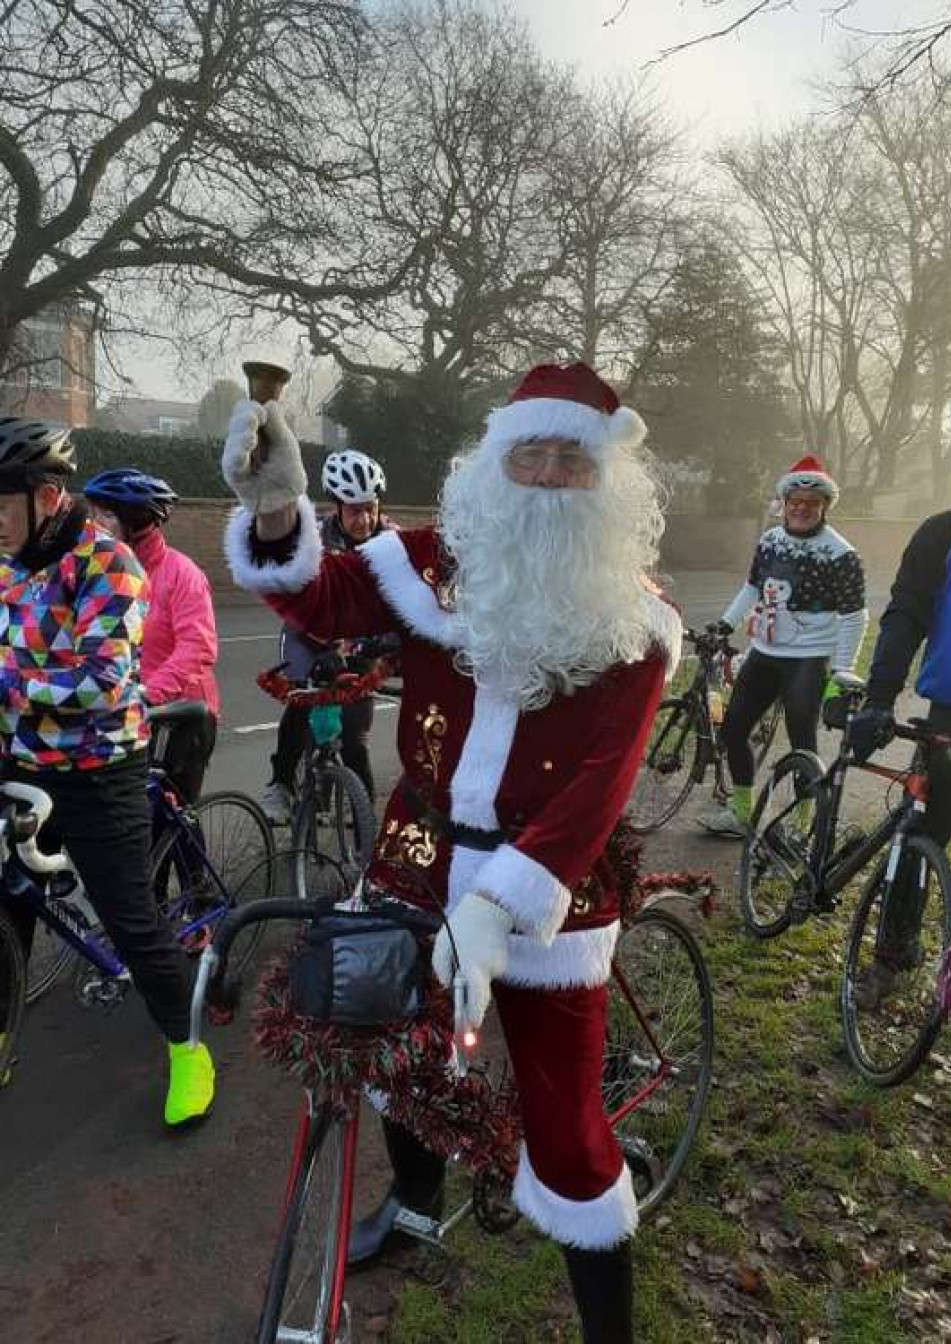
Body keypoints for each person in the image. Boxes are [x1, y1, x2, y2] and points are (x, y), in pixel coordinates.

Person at [221, 362, 682, 1343]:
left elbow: (598, 786)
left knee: (565, 1136)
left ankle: (610, 1329)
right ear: (495, 464)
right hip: (417, 853)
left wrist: (498, 904)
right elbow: (321, 598)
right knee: (392, 1055)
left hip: (551, 892)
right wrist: (274, 513)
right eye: (532, 452)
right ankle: (418, 1205)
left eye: (572, 459)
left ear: (606, 483)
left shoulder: (633, 623)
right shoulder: (435, 557)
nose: (550, 475)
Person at [0, 419, 214, 1124]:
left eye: (1, 504)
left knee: (131, 920)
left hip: (99, 765)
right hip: (21, 753)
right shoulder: (7, 563)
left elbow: (99, 680)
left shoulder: (108, 563)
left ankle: (188, 1050)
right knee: (10, 897)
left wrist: (9, 683)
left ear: (48, 496)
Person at [847, 409, 951, 1056]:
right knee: (917, 842)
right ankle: (890, 957)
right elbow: (905, 616)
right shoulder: (947, 533)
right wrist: (880, 697)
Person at [698, 454, 868, 837]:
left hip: (809, 658)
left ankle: (801, 824)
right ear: (785, 504)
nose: (802, 509)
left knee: (801, 741)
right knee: (734, 728)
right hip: (765, 652)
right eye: (796, 503)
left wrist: (843, 667)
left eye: (812, 503)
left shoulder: (842, 553)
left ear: (824, 506)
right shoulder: (771, 540)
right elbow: (752, 588)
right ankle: (741, 815)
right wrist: (726, 623)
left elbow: (855, 615)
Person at [259, 449, 388, 824]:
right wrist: (325, 646)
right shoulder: (311, 539)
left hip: (362, 640)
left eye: (371, 508)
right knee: (300, 701)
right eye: (354, 510)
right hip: (308, 632)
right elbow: (295, 601)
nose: (365, 519)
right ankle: (281, 785)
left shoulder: (391, 541)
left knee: (354, 737)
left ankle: (365, 821)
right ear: (337, 507)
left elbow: (404, 599)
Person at [83, 468, 219, 802]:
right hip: (125, 711)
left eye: (104, 515)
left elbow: (197, 647)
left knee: (171, 812)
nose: (92, 525)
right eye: (92, 513)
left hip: (182, 712)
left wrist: (149, 693)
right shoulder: (97, 571)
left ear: (136, 522)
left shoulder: (183, 574)